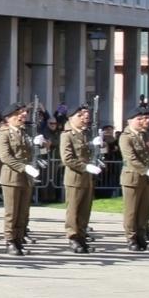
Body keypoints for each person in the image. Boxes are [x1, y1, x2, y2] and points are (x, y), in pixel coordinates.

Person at [0, 103, 34, 256]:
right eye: (17, 114)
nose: (21, 116)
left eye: (22, 113)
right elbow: (5, 157)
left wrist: (41, 145)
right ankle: (10, 241)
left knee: (22, 212)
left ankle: (19, 239)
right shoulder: (4, 134)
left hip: (26, 178)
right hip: (11, 177)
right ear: (8, 118)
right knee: (12, 212)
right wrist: (23, 167)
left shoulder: (24, 133)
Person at [59, 104, 98, 253]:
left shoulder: (85, 134)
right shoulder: (67, 135)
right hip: (74, 178)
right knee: (73, 210)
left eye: (85, 116)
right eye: (79, 116)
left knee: (84, 210)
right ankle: (73, 237)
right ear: (71, 118)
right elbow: (67, 159)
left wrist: (98, 147)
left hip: (87, 178)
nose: (83, 118)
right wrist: (85, 167)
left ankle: (82, 236)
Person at [118, 108, 149, 252]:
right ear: (130, 121)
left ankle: (141, 237)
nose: (142, 121)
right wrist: (147, 170)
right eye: (138, 119)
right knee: (131, 211)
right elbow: (131, 158)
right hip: (132, 178)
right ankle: (131, 238)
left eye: (142, 119)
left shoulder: (145, 135)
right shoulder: (125, 137)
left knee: (143, 211)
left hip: (145, 179)